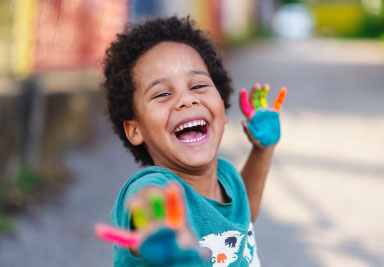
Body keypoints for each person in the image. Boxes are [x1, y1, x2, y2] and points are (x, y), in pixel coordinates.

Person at [103, 16, 286, 267]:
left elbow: (244, 216)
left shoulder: (228, 176)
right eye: (163, 93)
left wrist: (262, 151)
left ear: (221, 106)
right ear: (135, 129)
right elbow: (148, 201)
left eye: (198, 85)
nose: (186, 100)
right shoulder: (153, 185)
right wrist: (162, 233)